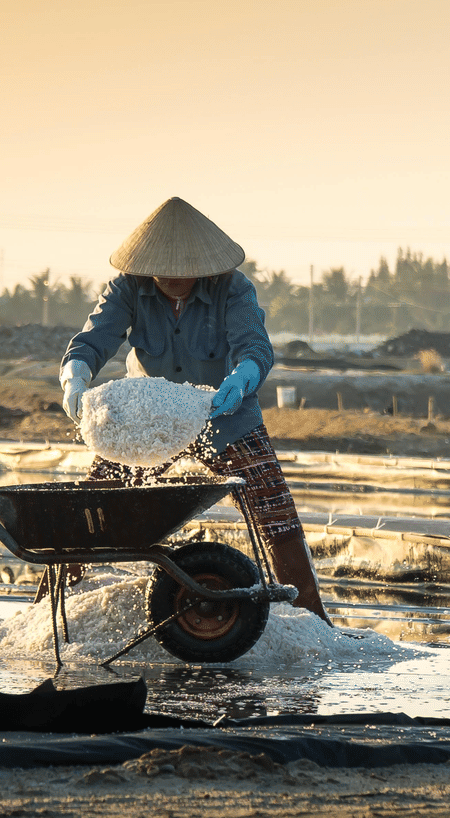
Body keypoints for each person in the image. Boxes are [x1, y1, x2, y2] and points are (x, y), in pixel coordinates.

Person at [56, 196, 330, 622]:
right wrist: (75, 377)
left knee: (275, 512)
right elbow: (92, 342)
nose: (173, 279)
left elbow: (254, 347)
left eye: (184, 272)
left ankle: (313, 620)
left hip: (224, 416)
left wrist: (240, 381)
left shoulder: (232, 288)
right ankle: (52, 612)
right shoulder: (127, 287)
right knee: (93, 511)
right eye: (163, 271)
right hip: (148, 421)